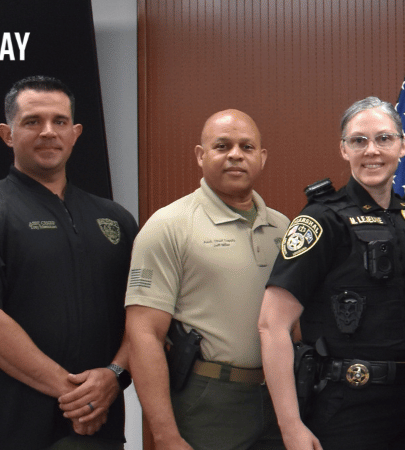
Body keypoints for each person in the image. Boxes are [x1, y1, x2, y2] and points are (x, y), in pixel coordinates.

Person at [0, 75, 138, 450]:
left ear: (75, 133)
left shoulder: (116, 219)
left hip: (98, 423)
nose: (48, 132)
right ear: (7, 133)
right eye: (32, 121)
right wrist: (74, 394)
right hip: (11, 422)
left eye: (59, 121)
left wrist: (114, 376)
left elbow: (142, 313)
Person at [257, 97, 405, 450]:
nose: (372, 151)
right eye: (359, 141)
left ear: (403, 145)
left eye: (384, 138)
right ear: (343, 149)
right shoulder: (322, 219)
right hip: (347, 407)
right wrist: (290, 426)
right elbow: (271, 325)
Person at [124, 109, 290, 450]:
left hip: (279, 396)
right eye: (222, 145)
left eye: (246, 146)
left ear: (262, 157)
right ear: (201, 156)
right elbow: (143, 336)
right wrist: (166, 436)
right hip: (208, 401)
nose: (235, 155)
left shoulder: (284, 228)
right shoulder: (168, 226)